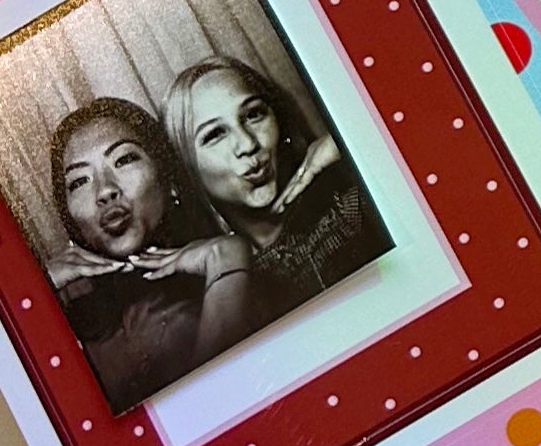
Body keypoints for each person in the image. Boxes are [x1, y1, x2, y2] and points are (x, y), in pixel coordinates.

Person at [45, 95, 261, 411]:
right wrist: (37, 293)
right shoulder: (68, 333)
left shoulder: (240, 276)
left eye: (122, 160)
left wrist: (226, 258)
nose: (105, 191)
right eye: (79, 181)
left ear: (169, 180)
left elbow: (217, 407)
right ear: (71, 221)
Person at [161, 56, 390, 321]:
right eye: (215, 134)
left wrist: (356, 141)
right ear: (185, 169)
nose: (247, 144)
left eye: (253, 114)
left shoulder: (352, 208)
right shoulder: (216, 293)